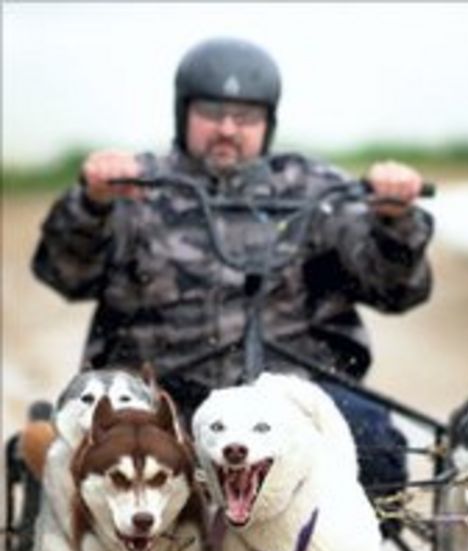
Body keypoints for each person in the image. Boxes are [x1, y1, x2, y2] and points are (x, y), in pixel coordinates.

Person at [32, 36, 434, 496]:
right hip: (160, 401)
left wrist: (395, 220)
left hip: (297, 399)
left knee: (376, 451)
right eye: (211, 113)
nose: (227, 129)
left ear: (268, 123)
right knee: (108, 474)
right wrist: (91, 203)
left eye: (245, 117)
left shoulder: (317, 189)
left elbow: (397, 291)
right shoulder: (133, 187)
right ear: (183, 114)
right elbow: (64, 275)